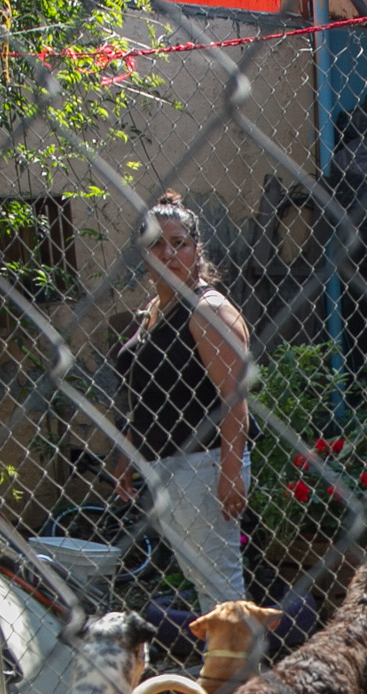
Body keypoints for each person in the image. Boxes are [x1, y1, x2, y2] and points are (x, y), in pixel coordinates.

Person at [115, 192, 251, 608]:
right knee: (199, 577)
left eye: (179, 243)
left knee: (218, 579)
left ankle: (239, 649)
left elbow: (235, 396)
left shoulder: (206, 310)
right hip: (165, 465)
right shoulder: (156, 308)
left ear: (197, 250)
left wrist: (230, 470)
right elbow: (148, 392)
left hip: (202, 463)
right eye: (156, 244)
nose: (168, 253)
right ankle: (224, 647)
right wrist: (127, 454)